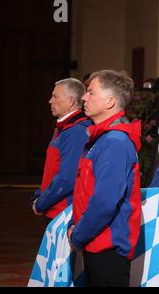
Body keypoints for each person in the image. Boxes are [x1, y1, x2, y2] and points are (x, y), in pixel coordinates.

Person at [67, 70, 142, 287]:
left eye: (91, 92)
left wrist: (78, 235)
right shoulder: (101, 139)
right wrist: (75, 225)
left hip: (107, 247)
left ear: (110, 101)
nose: (84, 97)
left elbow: (105, 201)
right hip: (95, 241)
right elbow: (86, 191)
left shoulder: (114, 142)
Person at [31, 78, 91, 223]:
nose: (50, 101)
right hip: (54, 209)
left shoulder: (76, 131)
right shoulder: (63, 128)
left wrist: (41, 203)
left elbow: (67, 179)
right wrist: (39, 195)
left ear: (70, 101)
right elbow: (53, 170)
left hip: (64, 213)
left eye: (55, 97)